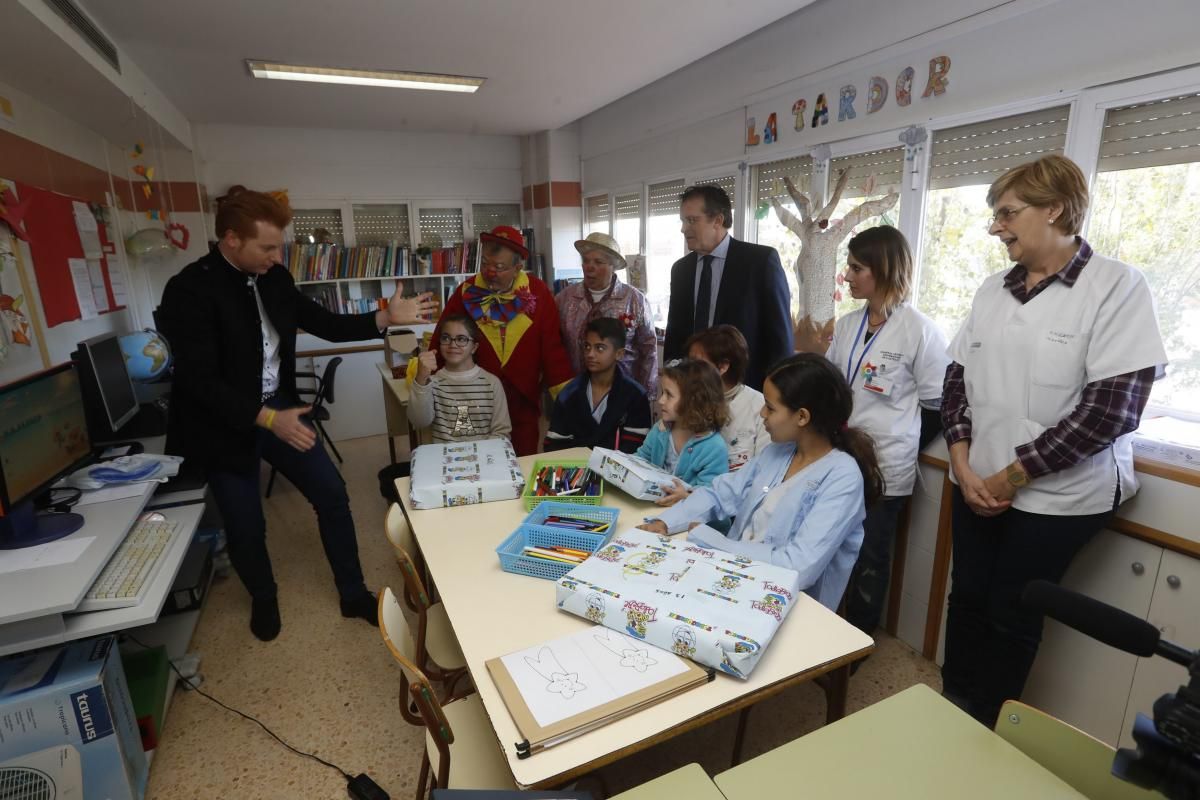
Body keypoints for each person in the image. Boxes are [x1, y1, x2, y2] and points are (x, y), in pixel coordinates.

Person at [940, 154, 1167, 727]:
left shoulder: (1116, 287)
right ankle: (948, 708)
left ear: (1055, 209)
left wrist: (1007, 479)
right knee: (966, 597)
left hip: (1057, 498)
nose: (995, 227)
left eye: (1007, 213)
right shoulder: (993, 291)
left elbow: (1109, 412)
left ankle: (985, 729)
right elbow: (956, 382)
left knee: (1010, 611)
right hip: (975, 480)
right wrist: (962, 464)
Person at [161, 186, 436, 642]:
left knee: (332, 494)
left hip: (279, 407)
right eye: (267, 247)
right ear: (231, 239)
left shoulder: (275, 279)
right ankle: (264, 597)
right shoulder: (189, 290)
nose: (276, 257)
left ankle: (352, 593)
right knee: (246, 522)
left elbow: (326, 323)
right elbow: (199, 381)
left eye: (279, 247)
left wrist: (384, 318)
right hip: (223, 423)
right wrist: (268, 419)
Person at [638, 354, 883, 611]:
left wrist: (712, 541)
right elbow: (719, 493)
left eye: (770, 407)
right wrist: (665, 523)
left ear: (802, 417)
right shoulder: (777, 452)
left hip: (787, 604)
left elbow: (798, 566)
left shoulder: (842, 477)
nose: (762, 413)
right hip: (734, 579)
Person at [826, 226, 949, 638]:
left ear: (883, 270)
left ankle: (857, 639)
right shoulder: (848, 325)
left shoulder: (920, 331)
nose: (847, 276)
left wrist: (902, 444)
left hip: (885, 464)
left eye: (856, 268)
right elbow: (833, 385)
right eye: (849, 266)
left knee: (870, 554)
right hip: (841, 456)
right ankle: (827, 626)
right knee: (831, 544)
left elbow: (937, 406)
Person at [433, 225, 575, 456]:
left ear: (518, 267)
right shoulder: (466, 292)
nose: (490, 272)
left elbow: (552, 348)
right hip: (475, 396)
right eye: (485, 264)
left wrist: (568, 400)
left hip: (522, 397)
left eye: (499, 267)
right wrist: (428, 385)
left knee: (523, 457)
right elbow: (442, 339)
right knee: (478, 456)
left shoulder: (538, 292)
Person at [662, 185, 794, 390]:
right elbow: (675, 332)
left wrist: (777, 393)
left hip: (745, 390)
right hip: (693, 388)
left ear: (718, 220)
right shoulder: (681, 270)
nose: (684, 228)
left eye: (692, 220)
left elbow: (780, 337)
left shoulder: (759, 262)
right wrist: (672, 376)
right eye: (683, 221)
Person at [556, 232, 658, 401]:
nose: (589, 267)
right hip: (576, 393)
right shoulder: (565, 299)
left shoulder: (634, 300)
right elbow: (554, 346)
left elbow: (648, 349)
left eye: (598, 262)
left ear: (613, 266)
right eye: (586, 261)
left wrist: (647, 395)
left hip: (623, 394)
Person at [544, 317, 652, 453]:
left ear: (619, 354)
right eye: (587, 347)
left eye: (600, 348)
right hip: (575, 464)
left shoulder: (635, 396)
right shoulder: (569, 394)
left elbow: (637, 450)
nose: (590, 354)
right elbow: (555, 446)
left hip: (617, 466)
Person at [634, 359, 729, 506]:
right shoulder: (660, 430)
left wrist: (685, 496)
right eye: (662, 393)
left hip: (690, 517)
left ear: (694, 401)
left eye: (669, 395)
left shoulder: (714, 447)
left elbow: (712, 496)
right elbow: (640, 459)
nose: (661, 400)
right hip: (653, 508)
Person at [408, 313, 511, 443]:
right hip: (443, 454)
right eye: (446, 338)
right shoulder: (431, 383)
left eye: (461, 339)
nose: (453, 344)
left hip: (484, 454)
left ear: (474, 347)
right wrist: (421, 379)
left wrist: (480, 453)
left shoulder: (492, 383)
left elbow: (501, 433)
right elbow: (419, 421)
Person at [686, 325, 771, 472]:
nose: (688, 371)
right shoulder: (685, 397)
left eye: (697, 364)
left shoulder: (759, 406)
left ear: (723, 367)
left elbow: (763, 469)